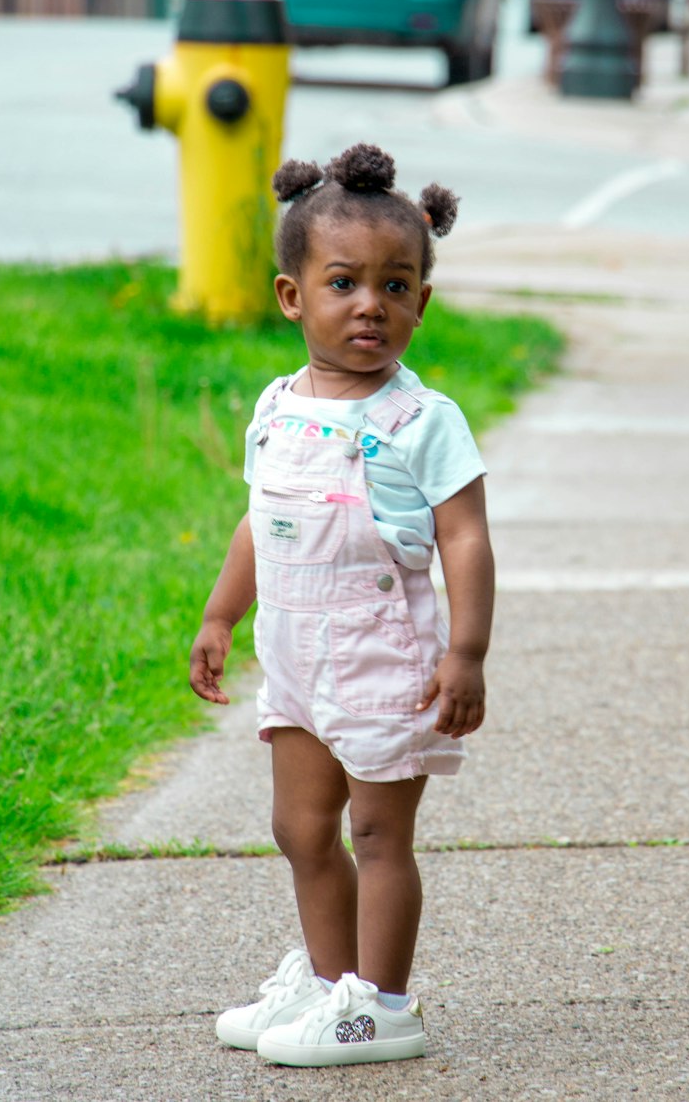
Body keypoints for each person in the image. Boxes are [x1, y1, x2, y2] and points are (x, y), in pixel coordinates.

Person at [189, 143, 494, 1068]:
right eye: (345, 283)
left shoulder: (422, 419)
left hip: (379, 657)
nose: (373, 304)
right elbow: (260, 522)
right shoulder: (276, 406)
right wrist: (219, 616)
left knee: (376, 829)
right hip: (293, 657)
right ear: (294, 297)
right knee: (300, 829)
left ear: (422, 305)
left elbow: (467, 538)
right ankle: (331, 987)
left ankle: (384, 1006)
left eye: (397, 286)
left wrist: (468, 653)